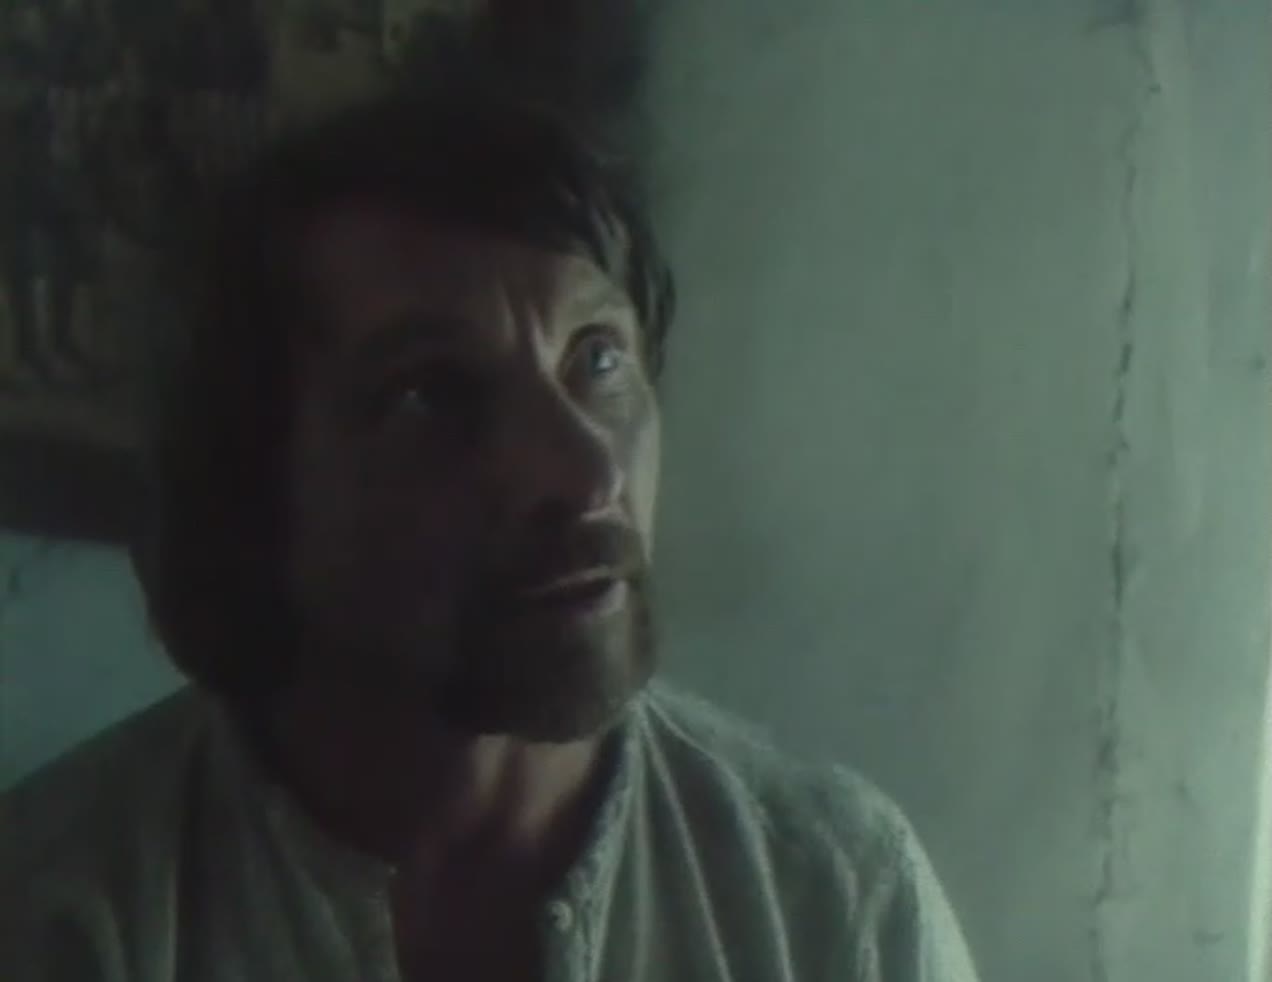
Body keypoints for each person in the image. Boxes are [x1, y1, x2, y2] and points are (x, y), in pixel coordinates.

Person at [0, 82, 983, 981]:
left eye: (598, 360)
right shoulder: (60, 916)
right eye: (431, 394)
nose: (586, 473)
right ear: (251, 490)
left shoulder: (831, 901)